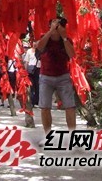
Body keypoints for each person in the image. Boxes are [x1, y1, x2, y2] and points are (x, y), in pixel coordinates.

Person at [35, 17, 76, 146]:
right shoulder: (44, 37)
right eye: (53, 25)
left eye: (59, 26)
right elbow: (39, 47)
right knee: (45, 107)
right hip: (46, 77)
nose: (56, 29)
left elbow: (72, 55)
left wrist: (63, 37)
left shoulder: (67, 40)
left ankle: (72, 136)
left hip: (63, 77)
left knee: (69, 106)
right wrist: (50, 31)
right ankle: (47, 136)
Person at [23, 41, 41, 106]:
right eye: (34, 42)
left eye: (36, 42)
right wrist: (25, 71)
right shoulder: (29, 51)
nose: (35, 43)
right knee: (31, 86)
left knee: (38, 86)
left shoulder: (40, 51)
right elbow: (26, 62)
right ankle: (32, 101)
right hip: (30, 70)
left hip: (38, 70)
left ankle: (37, 101)